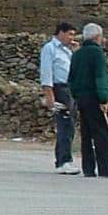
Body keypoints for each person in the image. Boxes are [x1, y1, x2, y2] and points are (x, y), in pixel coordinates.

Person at [68, 23, 108, 179]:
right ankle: (105, 168)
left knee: (86, 133)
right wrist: (103, 98)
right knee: (102, 134)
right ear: (97, 37)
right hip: (94, 97)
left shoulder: (77, 53)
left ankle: (88, 168)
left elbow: (71, 78)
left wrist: (75, 95)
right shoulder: (97, 53)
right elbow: (100, 77)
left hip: (81, 98)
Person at [39, 21, 81, 174]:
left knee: (70, 126)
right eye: (69, 34)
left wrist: (76, 53)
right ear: (61, 33)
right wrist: (49, 95)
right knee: (64, 124)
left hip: (70, 89)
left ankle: (65, 159)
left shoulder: (68, 51)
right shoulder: (50, 49)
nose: (72, 38)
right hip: (59, 88)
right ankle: (63, 161)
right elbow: (46, 72)